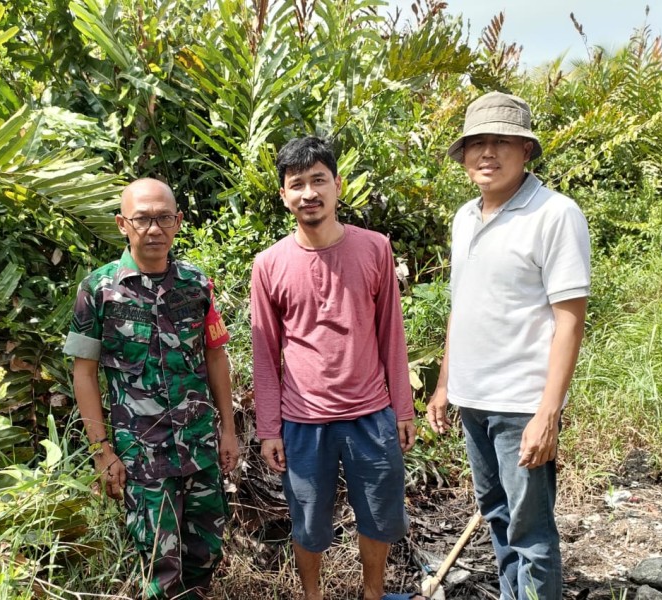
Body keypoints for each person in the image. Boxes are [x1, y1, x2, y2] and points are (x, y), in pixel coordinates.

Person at [426, 91, 590, 600]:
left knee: (531, 534)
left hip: (521, 405)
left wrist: (548, 413)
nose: (487, 153)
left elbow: (570, 322)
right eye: (477, 143)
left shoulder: (555, 214)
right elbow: (463, 305)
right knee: (496, 517)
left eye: (501, 142)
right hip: (473, 401)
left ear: (525, 150)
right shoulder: (463, 218)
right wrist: (445, 385)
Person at [251, 136, 423, 600]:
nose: (309, 192)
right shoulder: (268, 265)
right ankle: (313, 595)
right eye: (297, 184)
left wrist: (402, 410)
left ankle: (372, 594)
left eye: (318, 180)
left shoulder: (374, 248)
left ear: (337, 186)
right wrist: (269, 428)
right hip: (303, 421)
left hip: (371, 413)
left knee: (380, 515)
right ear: (284, 195)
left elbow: (392, 333)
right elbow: (265, 354)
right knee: (308, 521)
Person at [63, 178, 239, 600]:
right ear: (123, 224)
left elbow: (215, 357)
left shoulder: (196, 284)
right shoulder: (98, 290)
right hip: (141, 455)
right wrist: (101, 451)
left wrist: (228, 431)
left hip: (198, 447)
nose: (154, 229)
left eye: (163, 218)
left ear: (178, 222)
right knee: (158, 567)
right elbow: (83, 374)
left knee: (205, 553)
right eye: (143, 219)